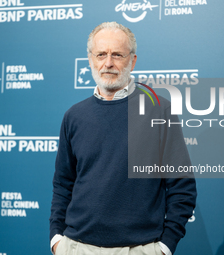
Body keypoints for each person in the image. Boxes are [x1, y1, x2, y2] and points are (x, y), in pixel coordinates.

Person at [49, 21, 197, 255]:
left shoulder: (159, 111)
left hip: (138, 249)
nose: (108, 63)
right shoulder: (73, 116)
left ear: (133, 60)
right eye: (101, 54)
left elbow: (182, 186)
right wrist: (57, 239)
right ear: (90, 59)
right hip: (75, 247)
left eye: (117, 54)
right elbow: (62, 184)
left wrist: (165, 247)